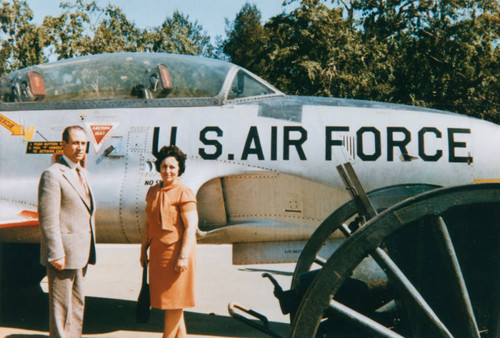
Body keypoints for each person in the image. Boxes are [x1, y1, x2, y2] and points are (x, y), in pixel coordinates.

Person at [38, 125, 96, 337]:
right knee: (61, 310)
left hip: (81, 254)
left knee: (77, 306)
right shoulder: (52, 174)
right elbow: (48, 218)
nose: (80, 148)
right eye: (75, 143)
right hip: (62, 255)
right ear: (63, 145)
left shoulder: (84, 173)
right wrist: (55, 252)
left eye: (83, 143)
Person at [140, 145, 198, 338]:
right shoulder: (153, 191)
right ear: (159, 168)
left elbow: (191, 227)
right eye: (164, 166)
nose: (168, 171)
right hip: (158, 256)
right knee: (172, 305)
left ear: (179, 168)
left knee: (173, 304)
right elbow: (148, 224)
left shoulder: (184, 192)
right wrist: (143, 250)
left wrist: (182, 257)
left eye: (173, 167)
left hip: (177, 256)